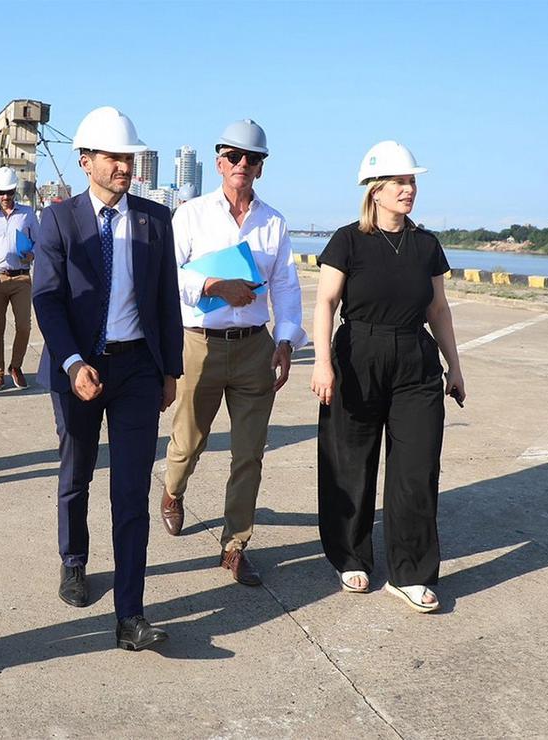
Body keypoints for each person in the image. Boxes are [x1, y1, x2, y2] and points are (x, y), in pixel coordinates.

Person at [32, 106, 182, 651]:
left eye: (130, 158)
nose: (125, 167)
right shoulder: (58, 220)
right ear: (85, 161)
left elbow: (166, 300)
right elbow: (46, 299)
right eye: (114, 157)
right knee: (77, 473)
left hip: (138, 368)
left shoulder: (154, 221)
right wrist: (73, 363)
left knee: (131, 492)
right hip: (79, 369)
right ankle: (74, 560)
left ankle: (131, 615)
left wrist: (171, 370)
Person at [309, 140, 464, 614]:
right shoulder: (348, 240)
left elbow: (437, 308)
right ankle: (351, 555)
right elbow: (326, 304)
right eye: (399, 181)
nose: (408, 189)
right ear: (375, 190)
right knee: (351, 463)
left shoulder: (426, 245)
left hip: (414, 359)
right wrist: (321, 362)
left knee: (417, 468)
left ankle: (411, 572)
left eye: (412, 181)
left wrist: (454, 366)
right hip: (358, 354)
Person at [162, 119, 307, 586]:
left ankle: (235, 544)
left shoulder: (274, 222)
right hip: (198, 344)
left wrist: (285, 339)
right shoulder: (191, 215)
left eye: (253, 158)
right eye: (234, 156)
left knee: (249, 453)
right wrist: (211, 284)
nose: (243, 164)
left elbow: (285, 284)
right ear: (219, 161)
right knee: (190, 441)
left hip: (253, 349)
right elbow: (168, 275)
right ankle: (172, 490)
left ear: (261, 168)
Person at [0, 166, 40, 391]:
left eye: (10, 192)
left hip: (21, 278)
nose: (6, 197)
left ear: (16, 190)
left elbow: (40, 243)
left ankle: (16, 366)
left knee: (24, 326)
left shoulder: (28, 214)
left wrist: (32, 253)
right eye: (2, 192)